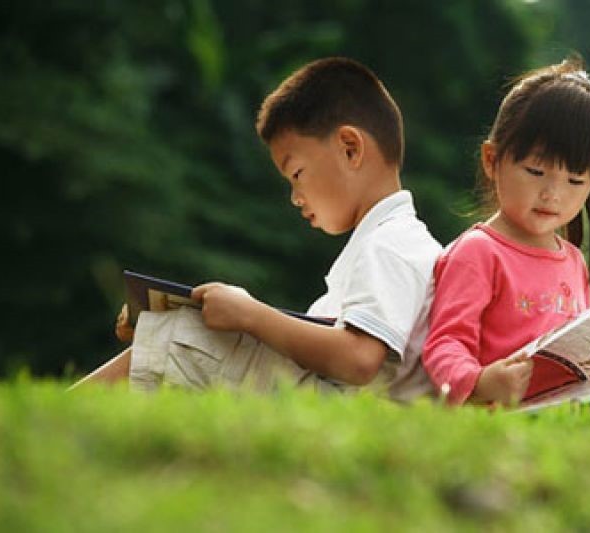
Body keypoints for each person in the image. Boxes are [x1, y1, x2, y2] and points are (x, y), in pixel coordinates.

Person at [74, 57, 442, 402]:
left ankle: (45, 424)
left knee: (177, 339)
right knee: (182, 332)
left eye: (297, 174)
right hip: (333, 400)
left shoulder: (392, 243)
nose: (295, 198)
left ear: (349, 148)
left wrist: (251, 314)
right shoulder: (385, 241)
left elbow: (359, 359)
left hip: (347, 411)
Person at [422, 55, 590, 406]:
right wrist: (479, 381)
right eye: (536, 171)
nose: (552, 194)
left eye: (575, 180)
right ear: (492, 160)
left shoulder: (573, 261)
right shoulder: (479, 251)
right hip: (497, 421)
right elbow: (445, 344)